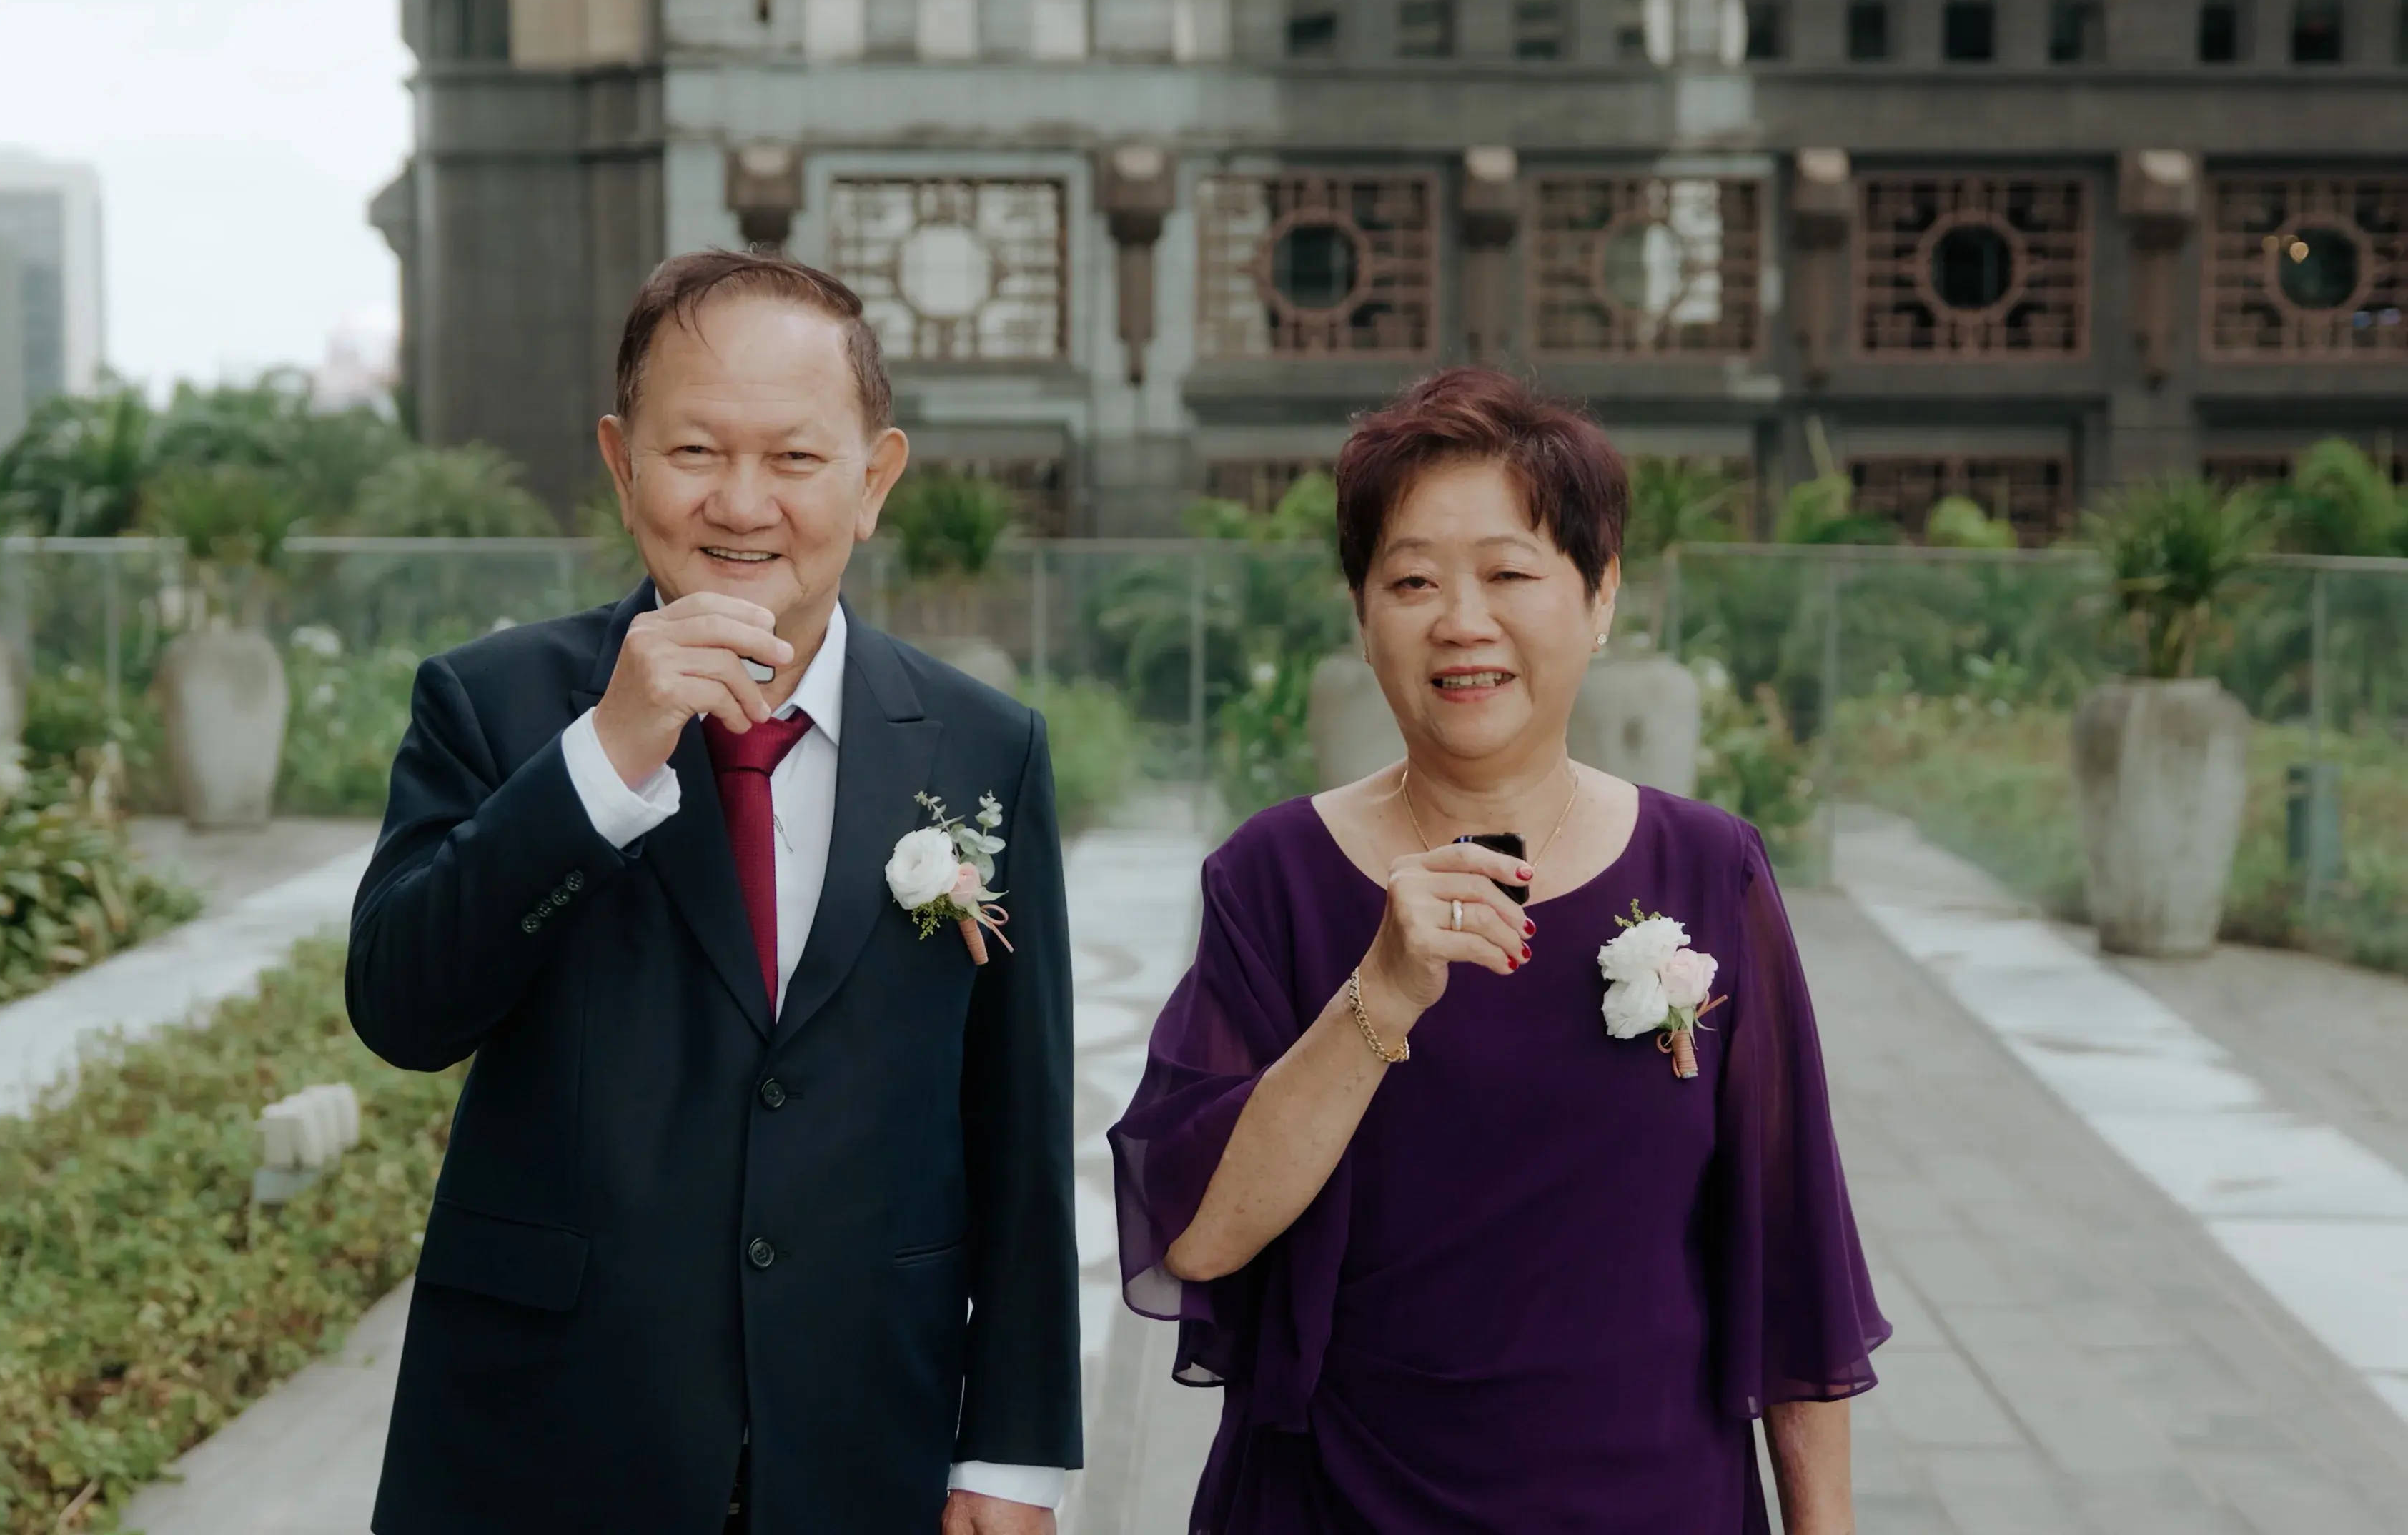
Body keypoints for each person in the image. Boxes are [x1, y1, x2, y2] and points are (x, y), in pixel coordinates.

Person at [347, 249, 1081, 1534]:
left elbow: (1018, 1117)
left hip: (867, 1439)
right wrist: (607, 755)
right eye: (695, 453)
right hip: (546, 1445)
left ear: (874, 481)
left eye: (795, 459)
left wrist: (1012, 1451)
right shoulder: (498, 703)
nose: (742, 505)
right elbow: (404, 1010)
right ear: (624, 464)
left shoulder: (983, 746)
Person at [1106, 367, 1889, 1534]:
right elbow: (1201, 1235)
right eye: (1411, 580)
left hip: (1651, 1500)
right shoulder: (1273, 877)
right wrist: (1379, 995)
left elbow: (1791, 1259)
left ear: (1601, 595)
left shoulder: (1708, 869)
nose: (1461, 621)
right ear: (1362, 615)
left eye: (1510, 574)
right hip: (1339, 1501)